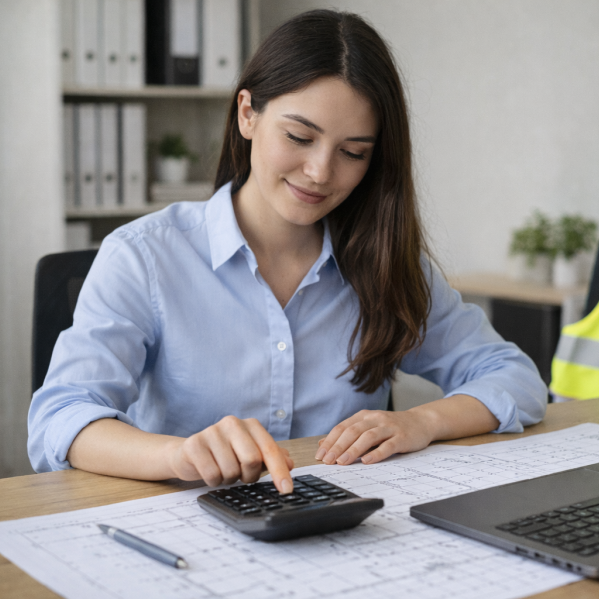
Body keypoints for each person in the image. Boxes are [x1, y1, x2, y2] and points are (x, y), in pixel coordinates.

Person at [28, 9, 547, 495]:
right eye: (299, 137)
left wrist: (422, 421)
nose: (320, 172)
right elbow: (61, 418)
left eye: (353, 152)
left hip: (341, 528)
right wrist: (179, 455)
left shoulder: (385, 262)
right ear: (247, 114)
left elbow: (515, 377)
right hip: (187, 523)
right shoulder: (143, 257)